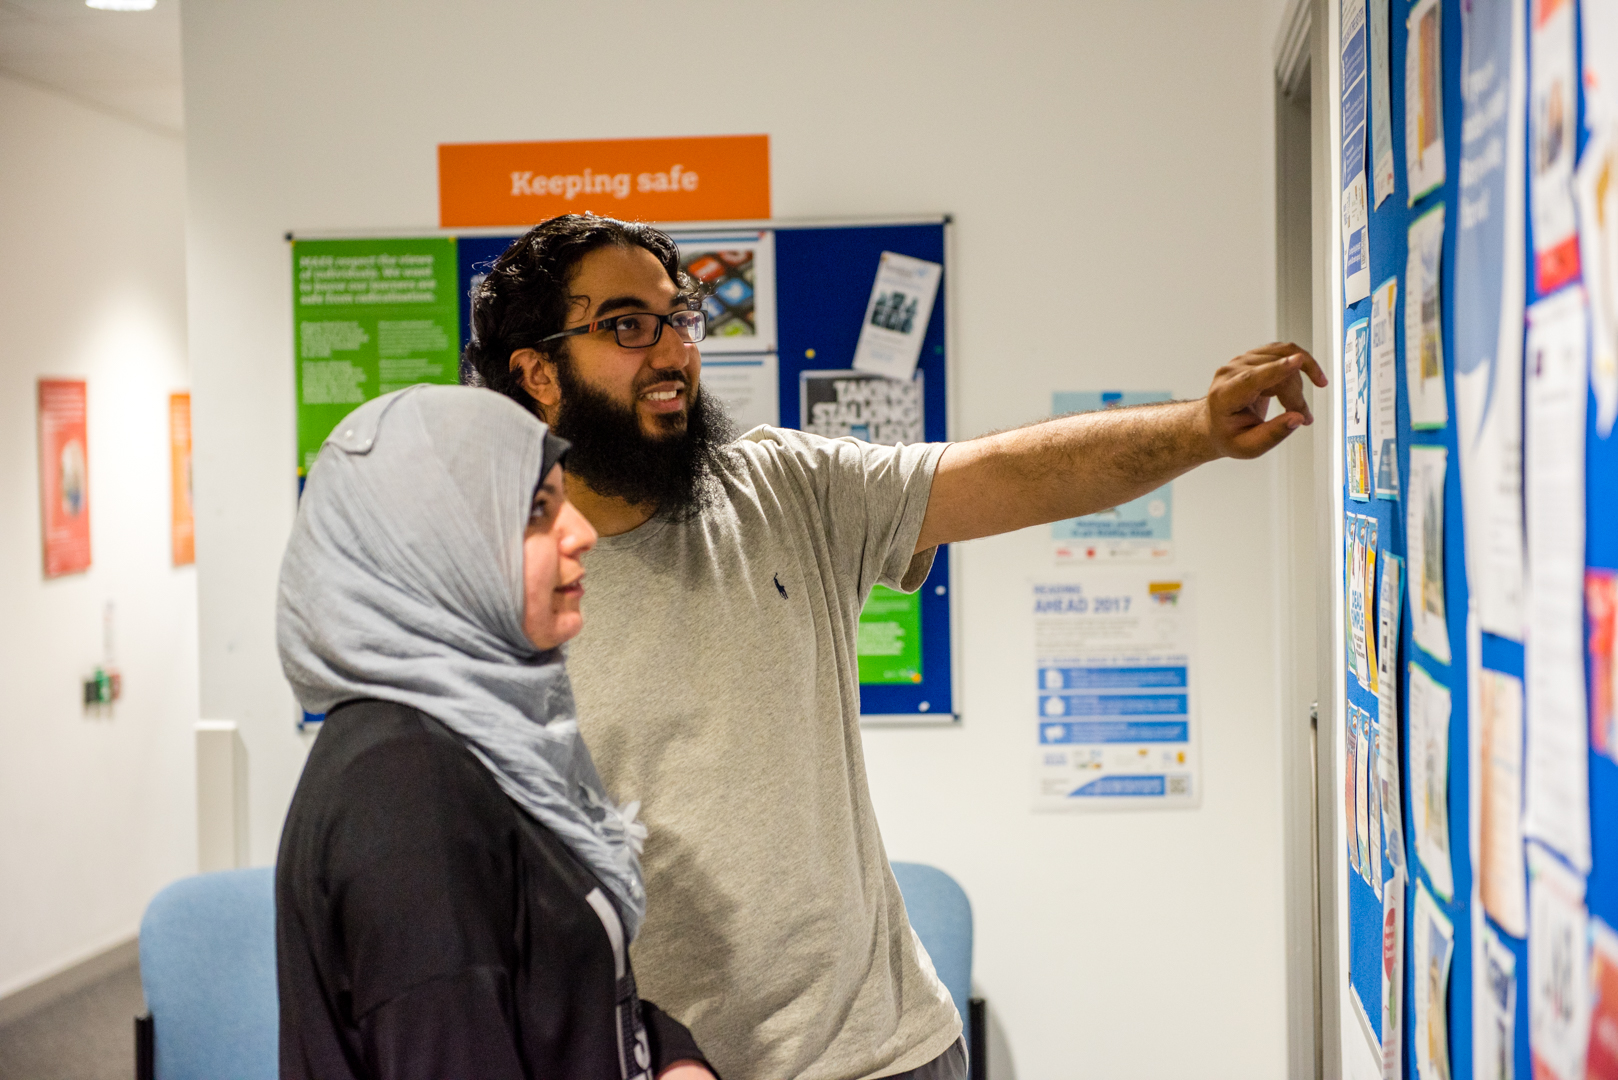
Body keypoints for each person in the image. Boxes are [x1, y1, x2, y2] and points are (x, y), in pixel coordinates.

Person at [463, 215, 1328, 1080]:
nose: (673, 352)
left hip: (888, 1055)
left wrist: (1198, 430)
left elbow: (1003, 477)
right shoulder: (491, 596)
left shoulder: (781, 488)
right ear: (537, 372)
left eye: (681, 318)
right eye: (626, 326)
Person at [274, 384, 718, 1080]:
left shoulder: (475, 738)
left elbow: (558, 998)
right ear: (434, 549)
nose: (581, 532)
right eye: (538, 512)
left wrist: (669, 1058)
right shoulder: (405, 794)